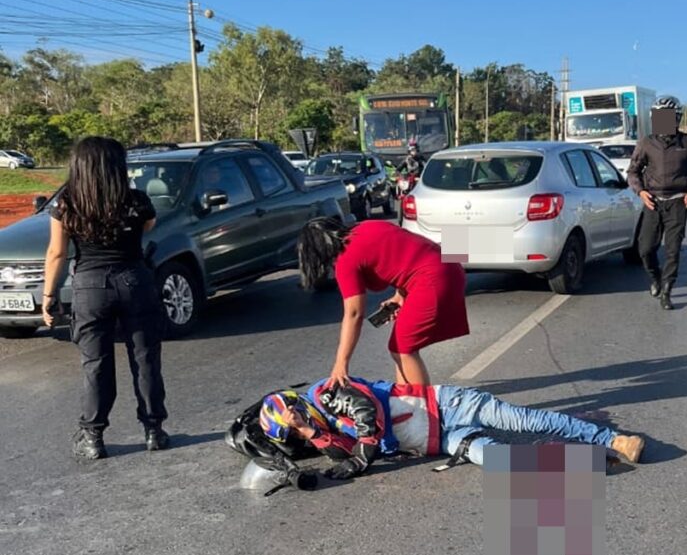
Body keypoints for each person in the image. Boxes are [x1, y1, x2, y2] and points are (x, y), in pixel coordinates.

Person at [43, 137, 169, 460]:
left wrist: (48, 296)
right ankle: (153, 429)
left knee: (95, 363)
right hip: (134, 281)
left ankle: (92, 436)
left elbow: (57, 252)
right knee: (145, 358)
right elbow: (150, 226)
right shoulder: (136, 201)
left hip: (89, 286)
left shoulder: (66, 203)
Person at [256, 377, 645, 480]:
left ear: (295, 405)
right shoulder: (319, 426)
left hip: (449, 404)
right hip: (442, 439)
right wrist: (311, 434)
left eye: (293, 425)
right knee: (497, 461)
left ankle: (614, 439)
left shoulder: (326, 391)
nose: (297, 433)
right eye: (291, 434)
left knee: (528, 420)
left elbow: (367, 413)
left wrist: (360, 460)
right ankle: (585, 461)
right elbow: (343, 456)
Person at [297, 217, 468, 387]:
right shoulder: (367, 226)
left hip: (433, 279)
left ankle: (422, 406)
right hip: (447, 264)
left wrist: (341, 364)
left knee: (403, 348)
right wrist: (400, 295)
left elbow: (354, 314)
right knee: (398, 347)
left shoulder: (345, 260)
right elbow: (409, 252)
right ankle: (406, 399)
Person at [626, 95, 687, 310]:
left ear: (677, 118)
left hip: (677, 202)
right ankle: (655, 278)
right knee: (646, 249)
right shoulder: (646, 143)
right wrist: (641, 192)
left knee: (673, 250)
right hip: (652, 202)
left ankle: (667, 290)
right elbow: (633, 171)